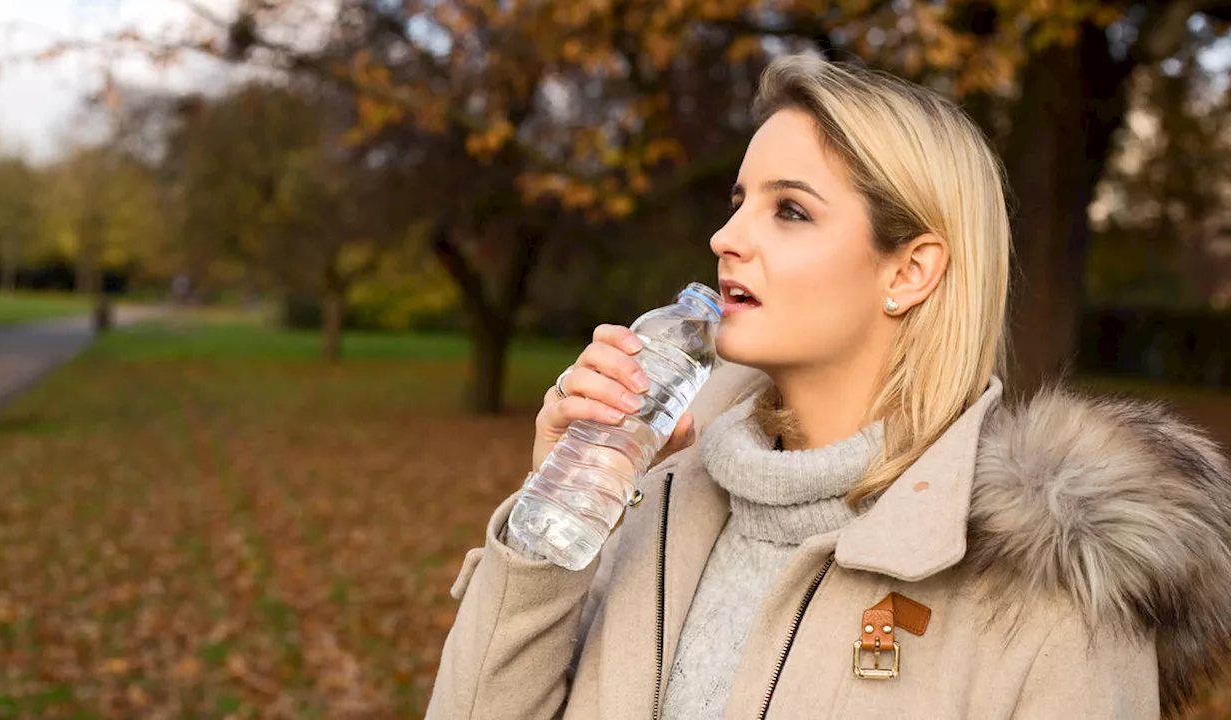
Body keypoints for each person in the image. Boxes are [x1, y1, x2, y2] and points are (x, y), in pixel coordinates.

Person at [427, 52, 1231, 719]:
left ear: (911, 271)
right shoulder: (648, 496)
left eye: (791, 212)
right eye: (740, 202)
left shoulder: (1053, 594)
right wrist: (549, 518)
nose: (725, 237)